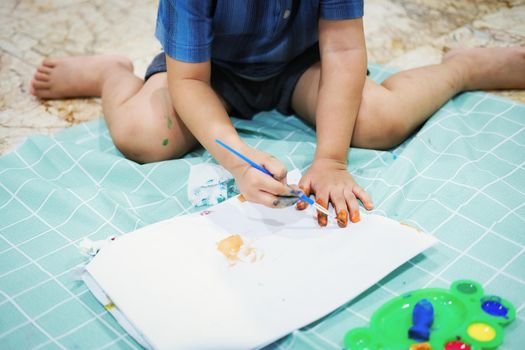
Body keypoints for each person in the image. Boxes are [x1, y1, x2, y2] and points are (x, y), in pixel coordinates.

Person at [29, 1, 525, 227]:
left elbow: (345, 53)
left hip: (299, 63)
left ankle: (460, 70)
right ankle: (111, 74)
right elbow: (189, 82)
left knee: (379, 122)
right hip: (207, 72)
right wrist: (239, 159)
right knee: (143, 136)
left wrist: (331, 159)